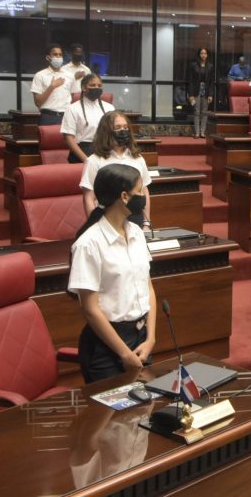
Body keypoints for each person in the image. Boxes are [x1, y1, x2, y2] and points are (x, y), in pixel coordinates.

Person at [68, 164, 156, 384]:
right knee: (112, 417)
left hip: (141, 339)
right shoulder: (89, 244)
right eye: (139, 190)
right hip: (106, 345)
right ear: (124, 196)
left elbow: (148, 286)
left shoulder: (135, 232)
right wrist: (124, 354)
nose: (143, 195)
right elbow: (89, 309)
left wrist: (151, 337)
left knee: (142, 412)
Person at [80, 111, 152, 232]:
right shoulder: (94, 161)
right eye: (118, 128)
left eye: (125, 127)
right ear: (106, 131)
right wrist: (96, 227)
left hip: (135, 217)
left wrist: (146, 223)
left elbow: (144, 190)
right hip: (107, 219)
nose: (123, 131)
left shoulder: (137, 158)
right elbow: (89, 197)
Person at [61, 73, 113, 163]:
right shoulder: (72, 108)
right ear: (84, 88)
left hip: (105, 151)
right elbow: (68, 138)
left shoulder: (110, 108)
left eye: (99, 85)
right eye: (92, 85)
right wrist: (86, 160)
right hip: (82, 152)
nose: (96, 88)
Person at [31, 43, 73, 126]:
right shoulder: (40, 75)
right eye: (55, 54)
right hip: (48, 116)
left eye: (60, 55)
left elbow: (73, 96)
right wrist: (52, 87)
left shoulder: (70, 75)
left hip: (67, 116)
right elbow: (38, 103)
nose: (58, 57)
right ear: (48, 58)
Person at [187, 47, 213, 139]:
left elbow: (211, 82)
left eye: (205, 53)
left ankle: (203, 132)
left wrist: (210, 94)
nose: (203, 55)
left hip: (205, 90)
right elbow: (190, 81)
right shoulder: (193, 65)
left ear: (207, 55)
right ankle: (197, 132)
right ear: (199, 55)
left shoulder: (210, 66)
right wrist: (190, 95)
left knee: (204, 112)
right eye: (202, 53)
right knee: (196, 111)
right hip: (195, 90)